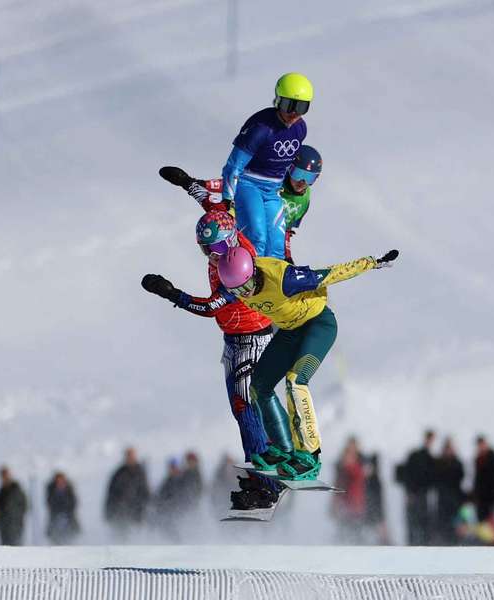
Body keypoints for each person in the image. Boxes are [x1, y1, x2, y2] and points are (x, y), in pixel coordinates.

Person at [141, 210, 285, 510]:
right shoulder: (225, 252)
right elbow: (221, 207)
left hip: (251, 340)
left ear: (230, 241)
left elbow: (211, 307)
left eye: (217, 248)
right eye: (206, 249)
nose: (212, 256)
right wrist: (191, 187)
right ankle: (267, 469)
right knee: (245, 409)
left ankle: (267, 483)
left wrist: (172, 294)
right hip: (236, 340)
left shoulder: (237, 266)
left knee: (247, 409)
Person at [218, 245, 399, 479]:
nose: (246, 294)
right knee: (258, 386)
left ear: (253, 272)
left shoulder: (284, 278)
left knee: (295, 381)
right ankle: (284, 449)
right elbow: (211, 304)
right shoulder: (234, 284)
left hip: (318, 325)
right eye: (238, 291)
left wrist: (372, 262)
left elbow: (331, 273)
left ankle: (310, 456)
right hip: (291, 330)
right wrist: (176, 296)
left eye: (247, 286)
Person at [161, 144, 322, 264]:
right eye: (299, 174)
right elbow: (236, 184)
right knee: (220, 213)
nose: (302, 182)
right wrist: (201, 183)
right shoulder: (273, 179)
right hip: (242, 220)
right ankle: (189, 185)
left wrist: (287, 256)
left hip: (263, 243)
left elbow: (286, 229)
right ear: (289, 168)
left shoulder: (305, 200)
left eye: (310, 178)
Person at [220, 73, 312, 258]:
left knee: (277, 246)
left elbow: (286, 165)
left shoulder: (300, 129)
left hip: (272, 191)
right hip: (248, 184)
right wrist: (227, 201)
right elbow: (233, 166)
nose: (293, 113)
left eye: (301, 107)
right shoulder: (261, 128)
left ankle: (272, 284)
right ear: (277, 100)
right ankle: (249, 280)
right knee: (257, 238)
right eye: (288, 105)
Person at [395, 430, 437, 545]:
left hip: (423, 497)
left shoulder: (430, 458)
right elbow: (407, 475)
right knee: (413, 526)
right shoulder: (416, 455)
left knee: (423, 526)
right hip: (414, 496)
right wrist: (410, 493)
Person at [104, 447, 150, 538]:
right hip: (120, 514)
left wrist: (144, 510)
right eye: (128, 455)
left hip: (136, 514)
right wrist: (108, 512)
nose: (130, 458)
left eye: (132, 455)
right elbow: (111, 493)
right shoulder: (119, 472)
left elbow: (145, 493)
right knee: (120, 540)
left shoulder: (140, 472)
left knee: (135, 541)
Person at [332, 436, 367, 543]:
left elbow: (361, 480)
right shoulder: (341, 465)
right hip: (345, 500)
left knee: (357, 531)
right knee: (343, 530)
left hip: (357, 501)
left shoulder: (362, 463)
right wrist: (335, 503)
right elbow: (337, 483)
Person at [434, 436, 465, 545]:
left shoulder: (458, 463)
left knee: (456, 528)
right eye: (447, 448)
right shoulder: (439, 463)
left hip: (456, 502)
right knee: (444, 530)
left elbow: (461, 480)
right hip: (443, 502)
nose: (449, 450)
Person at [472, 435, 494, 522]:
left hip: (493, 493)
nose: (481, 447)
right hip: (482, 496)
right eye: (480, 445)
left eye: (483, 444)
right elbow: (477, 478)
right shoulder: (478, 459)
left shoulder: (492, 456)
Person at [0, 466, 28, 546]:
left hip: (15, 525)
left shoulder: (16, 489)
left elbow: (25, 505)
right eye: (3, 476)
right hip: (4, 526)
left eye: (6, 475)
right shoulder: (0, 492)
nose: (4, 477)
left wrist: (17, 516)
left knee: (17, 548)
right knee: (5, 549)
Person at [46, 471, 81, 545]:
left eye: (61, 480)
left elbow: (74, 503)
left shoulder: (69, 491)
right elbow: (50, 504)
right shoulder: (51, 491)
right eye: (58, 481)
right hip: (55, 522)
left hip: (69, 521)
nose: (60, 482)